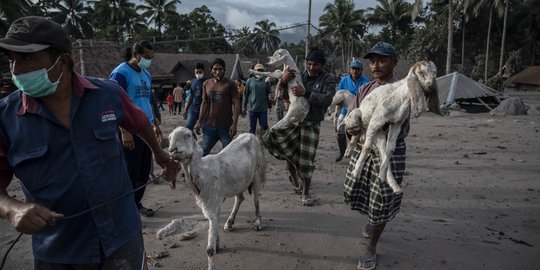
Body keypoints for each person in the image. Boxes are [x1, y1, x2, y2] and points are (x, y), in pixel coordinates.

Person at [0, 16, 175, 268]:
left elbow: (138, 121)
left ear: (62, 61)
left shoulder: (107, 94)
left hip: (122, 237)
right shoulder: (5, 118)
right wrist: (11, 208)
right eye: (11, 59)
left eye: (26, 58)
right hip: (61, 251)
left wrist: (159, 153)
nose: (15, 70)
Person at [343, 42, 408, 270]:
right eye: (372, 61)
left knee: (381, 199)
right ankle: (372, 222)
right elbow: (352, 116)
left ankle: (371, 246)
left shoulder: (402, 91)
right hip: (364, 148)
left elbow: (403, 127)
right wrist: (350, 128)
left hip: (389, 154)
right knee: (362, 193)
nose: (376, 65)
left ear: (394, 62)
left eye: (382, 60)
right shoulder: (363, 90)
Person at [262, 47, 336, 206]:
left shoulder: (327, 79)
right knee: (287, 152)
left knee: (306, 159)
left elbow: (327, 100)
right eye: (309, 64)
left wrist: (307, 93)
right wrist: (282, 81)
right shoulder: (298, 74)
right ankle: (294, 178)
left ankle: (305, 194)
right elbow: (283, 96)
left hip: (311, 124)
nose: (311, 67)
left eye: (316, 65)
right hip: (294, 121)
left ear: (322, 65)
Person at [110, 40, 162, 217]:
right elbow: (114, 103)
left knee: (143, 170)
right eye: (146, 57)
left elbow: (146, 101)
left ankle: (136, 204)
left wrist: (155, 124)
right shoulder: (120, 73)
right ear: (136, 55)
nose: (149, 60)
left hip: (146, 128)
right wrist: (124, 131)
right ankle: (125, 209)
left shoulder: (146, 74)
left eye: (151, 58)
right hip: (130, 130)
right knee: (129, 171)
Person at [194, 58, 240, 156]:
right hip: (209, 126)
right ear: (211, 70)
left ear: (224, 70)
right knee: (203, 153)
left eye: (220, 69)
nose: (217, 72)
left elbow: (236, 104)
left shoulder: (230, 84)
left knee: (229, 154)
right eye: (215, 69)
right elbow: (204, 103)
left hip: (226, 127)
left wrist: (235, 124)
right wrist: (199, 121)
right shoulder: (206, 84)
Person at [335, 58, 370, 162]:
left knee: (357, 131)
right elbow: (339, 93)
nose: (355, 71)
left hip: (359, 111)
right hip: (345, 110)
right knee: (339, 129)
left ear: (361, 70)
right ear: (350, 69)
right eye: (353, 68)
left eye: (357, 69)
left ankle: (355, 150)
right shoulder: (344, 80)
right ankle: (341, 151)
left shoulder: (366, 82)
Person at [242, 63, 272, 134]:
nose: (259, 71)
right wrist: (244, 106)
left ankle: (264, 142)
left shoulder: (266, 81)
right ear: (254, 71)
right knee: (252, 128)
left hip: (263, 108)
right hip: (252, 108)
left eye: (261, 70)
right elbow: (246, 94)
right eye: (258, 70)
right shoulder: (249, 81)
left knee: (264, 126)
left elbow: (269, 93)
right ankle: (252, 142)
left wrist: (270, 104)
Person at [183, 63, 206, 130]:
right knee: (188, 128)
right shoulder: (193, 82)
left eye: (200, 72)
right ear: (194, 72)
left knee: (206, 129)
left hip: (204, 111)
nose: (198, 74)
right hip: (193, 109)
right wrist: (186, 109)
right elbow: (191, 96)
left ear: (203, 71)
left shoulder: (207, 82)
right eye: (197, 72)